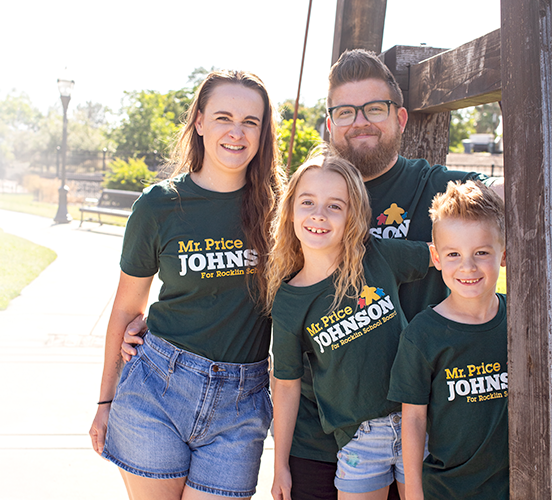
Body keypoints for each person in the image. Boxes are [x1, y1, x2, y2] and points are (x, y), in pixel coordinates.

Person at [121, 49, 505, 500]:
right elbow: (243, 254)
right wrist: (164, 334)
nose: (360, 121)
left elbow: (480, 227)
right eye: (345, 111)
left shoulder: (426, 192)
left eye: (375, 108)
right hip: (315, 433)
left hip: (410, 423)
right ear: (329, 125)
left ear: (401, 117)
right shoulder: (308, 191)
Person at [88, 69, 285, 500]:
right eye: (223, 118)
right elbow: (126, 310)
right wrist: (104, 403)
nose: (237, 132)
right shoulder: (158, 206)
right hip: (157, 387)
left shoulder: (282, 210)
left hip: (240, 404)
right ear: (198, 122)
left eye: (251, 122)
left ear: (263, 131)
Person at [268, 154, 431, 500]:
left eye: (334, 206)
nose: (318, 215)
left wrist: (489, 250)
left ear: (352, 215)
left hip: (415, 421)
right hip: (359, 439)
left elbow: (442, 255)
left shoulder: (377, 256)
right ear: (291, 210)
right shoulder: (289, 300)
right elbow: (285, 384)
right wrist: (280, 464)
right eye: (308, 202)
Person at [388, 180, 508, 500]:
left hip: (517, 483)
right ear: (437, 258)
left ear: (503, 254)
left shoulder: (522, 322)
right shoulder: (422, 335)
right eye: (453, 254)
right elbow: (413, 418)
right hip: (447, 490)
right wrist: (413, 491)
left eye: (481, 252)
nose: (467, 266)